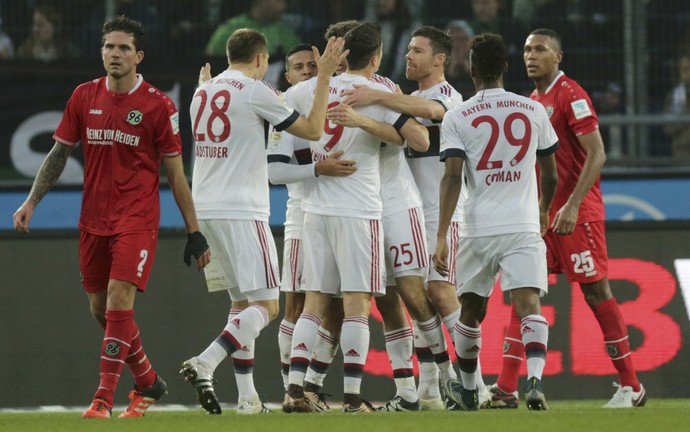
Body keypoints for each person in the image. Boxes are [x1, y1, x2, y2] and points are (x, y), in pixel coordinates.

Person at [12, 15, 211, 419]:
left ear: (138, 56)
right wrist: (32, 201)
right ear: (101, 51)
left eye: (123, 48)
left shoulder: (159, 105)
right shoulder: (84, 96)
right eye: (109, 47)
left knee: (121, 300)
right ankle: (149, 380)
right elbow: (58, 153)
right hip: (93, 219)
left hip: (137, 218)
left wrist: (194, 231)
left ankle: (103, 398)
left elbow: (175, 172)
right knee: (102, 311)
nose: (114, 54)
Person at [179, 29, 347, 415]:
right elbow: (313, 130)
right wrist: (323, 77)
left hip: (204, 207)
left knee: (241, 303)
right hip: (241, 208)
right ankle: (206, 361)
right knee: (268, 306)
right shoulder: (256, 90)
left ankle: (248, 400)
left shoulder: (201, 91)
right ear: (260, 60)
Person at [485, 28, 647, 410]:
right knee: (523, 292)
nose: (531, 55)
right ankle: (507, 387)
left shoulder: (570, 94)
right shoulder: (533, 99)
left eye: (540, 49)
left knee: (595, 292)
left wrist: (572, 205)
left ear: (558, 56)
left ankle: (631, 386)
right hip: (542, 217)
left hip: (577, 216)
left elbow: (597, 154)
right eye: (526, 49)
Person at [340, 25, 489, 411]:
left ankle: (477, 383)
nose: (409, 56)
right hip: (409, 210)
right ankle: (427, 390)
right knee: (413, 299)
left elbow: (432, 114)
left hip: (443, 212)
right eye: (407, 49)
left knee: (440, 292)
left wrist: (377, 94)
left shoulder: (447, 95)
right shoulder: (404, 98)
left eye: (418, 51)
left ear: (439, 59)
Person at [283, 22, 429, 414]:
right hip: (360, 211)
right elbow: (419, 139)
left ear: (337, 53)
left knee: (313, 301)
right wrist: (377, 126)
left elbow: (282, 146)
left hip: (313, 208)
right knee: (357, 304)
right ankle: (350, 397)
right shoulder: (376, 97)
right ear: (377, 57)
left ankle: (296, 391)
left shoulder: (298, 92)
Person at [434, 32, 559, 411]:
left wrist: (441, 235)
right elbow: (550, 173)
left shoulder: (457, 116)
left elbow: (453, 177)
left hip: (478, 227)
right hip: (522, 224)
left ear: (471, 71)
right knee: (528, 303)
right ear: (506, 66)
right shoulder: (533, 109)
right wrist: (543, 209)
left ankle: (470, 389)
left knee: (470, 310)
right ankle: (534, 381)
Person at [268, 43, 353, 412]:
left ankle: (313, 387)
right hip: (303, 215)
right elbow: (274, 171)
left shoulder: (344, 103)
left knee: (337, 310)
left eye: (312, 65)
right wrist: (318, 169)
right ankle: (293, 389)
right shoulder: (286, 110)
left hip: (346, 213)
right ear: (288, 76)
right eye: (299, 67)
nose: (306, 71)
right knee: (298, 305)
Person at [205, 0, 300, 59]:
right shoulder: (232, 27)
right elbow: (211, 56)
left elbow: (298, 58)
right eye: (279, 1)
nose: (282, 6)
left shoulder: (285, 30)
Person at [663, 52, 690, 157]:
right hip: (682, 154)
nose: (688, 73)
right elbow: (668, 128)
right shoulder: (674, 96)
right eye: (685, 69)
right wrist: (686, 109)